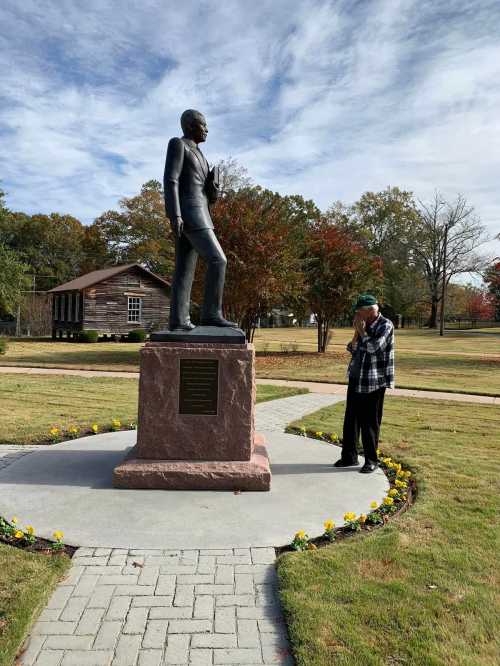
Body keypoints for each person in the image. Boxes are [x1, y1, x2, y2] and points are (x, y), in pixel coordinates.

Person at [164, 109, 236, 330]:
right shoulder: (178, 144)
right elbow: (171, 180)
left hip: (201, 211)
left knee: (184, 269)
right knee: (218, 260)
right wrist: (174, 213)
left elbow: (205, 193)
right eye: (202, 125)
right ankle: (211, 314)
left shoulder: (202, 157)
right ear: (189, 126)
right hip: (190, 213)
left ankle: (179, 320)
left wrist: (213, 190)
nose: (206, 129)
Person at [334, 294, 395, 473]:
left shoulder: (386, 325)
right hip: (356, 377)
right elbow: (353, 348)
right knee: (351, 420)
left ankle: (371, 460)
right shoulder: (363, 325)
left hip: (374, 381)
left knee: (370, 422)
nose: (357, 315)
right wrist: (355, 337)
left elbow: (374, 348)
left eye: (359, 311)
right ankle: (349, 457)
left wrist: (362, 332)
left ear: (369, 311)